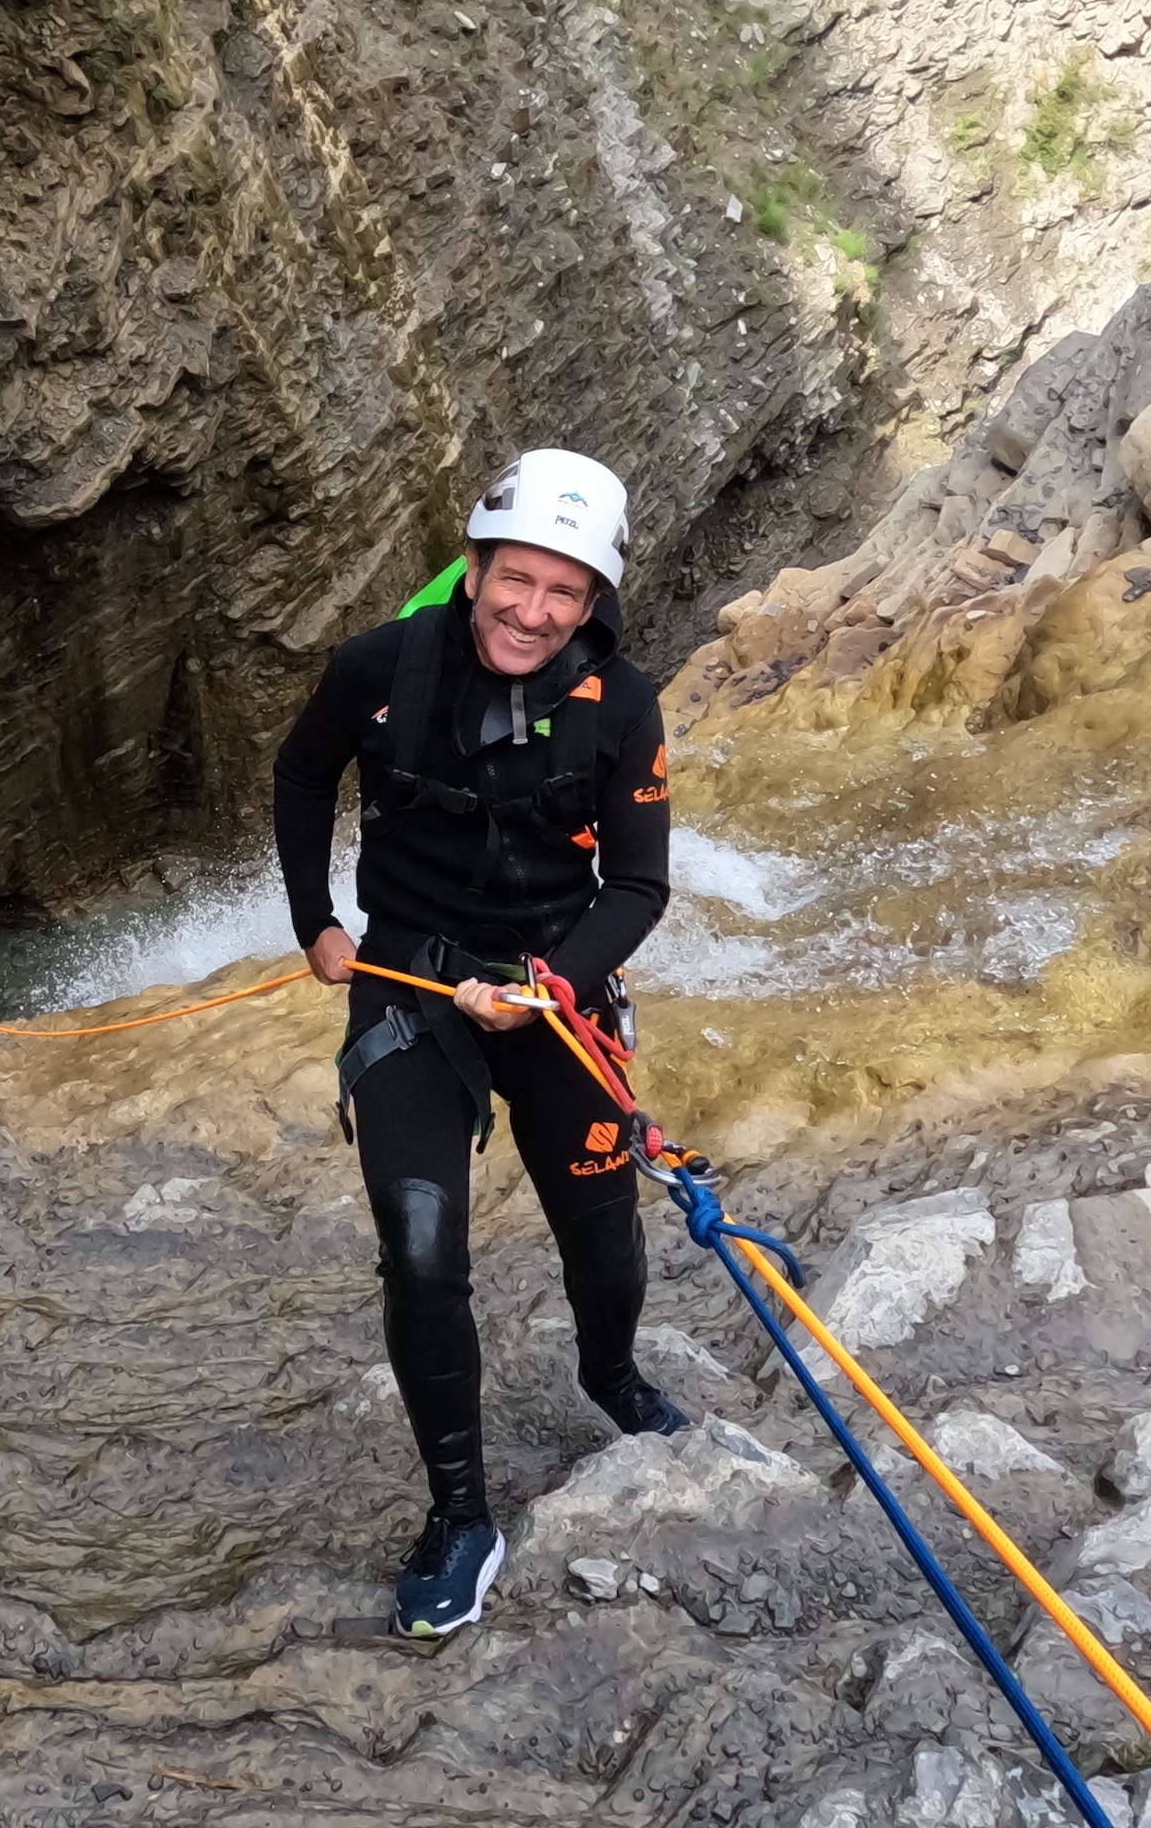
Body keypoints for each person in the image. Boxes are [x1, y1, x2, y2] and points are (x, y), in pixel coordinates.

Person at [272, 447, 681, 1640]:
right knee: (420, 1249)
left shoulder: (625, 703)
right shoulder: (377, 670)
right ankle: (461, 1516)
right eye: (516, 580)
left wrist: (554, 983)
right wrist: (317, 926)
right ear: (474, 564)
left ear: (593, 602)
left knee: (603, 1235)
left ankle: (608, 1376)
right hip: (407, 974)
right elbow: (303, 776)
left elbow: (640, 886)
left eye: (565, 593)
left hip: (556, 984)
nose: (533, 612)